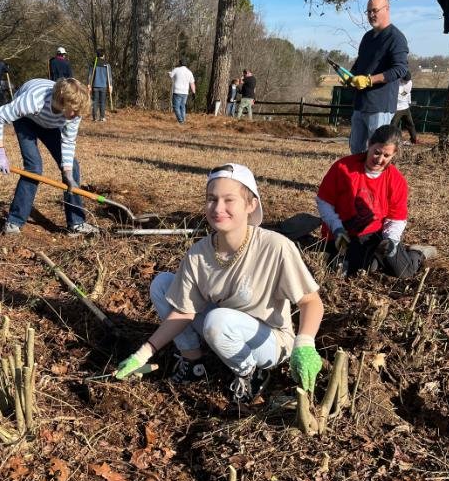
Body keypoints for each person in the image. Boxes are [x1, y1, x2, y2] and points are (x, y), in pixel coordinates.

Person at [114, 163, 324, 404]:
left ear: (251, 204)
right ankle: (193, 361)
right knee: (162, 284)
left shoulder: (275, 247)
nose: (218, 208)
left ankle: (251, 374)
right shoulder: (198, 254)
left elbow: (310, 301)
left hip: (269, 341)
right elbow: (184, 311)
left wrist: (305, 343)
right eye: (211, 199)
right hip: (223, 327)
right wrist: (143, 354)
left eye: (229, 200)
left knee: (218, 320)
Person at [316, 124, 436, 278]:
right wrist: (337, 228)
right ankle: (372, 260)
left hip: (373, 235)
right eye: (376, 152)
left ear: (394, 155)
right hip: (340, 233)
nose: (379, 159)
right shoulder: (343, 168)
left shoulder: (396, 180)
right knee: (353, 270)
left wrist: (391, 241)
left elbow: (396, 218)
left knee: (404, 272)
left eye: (386, 156)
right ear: (369, 145)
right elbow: (324, 202)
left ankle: (417, 253)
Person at [0, 77, 98, 237]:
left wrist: (67, 173)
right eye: (74, 111)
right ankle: (14, 221)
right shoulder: (33, 100)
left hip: (50, 123)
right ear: (63, 101)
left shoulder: (75, 112)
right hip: (26, 119)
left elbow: (68, 141)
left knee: (72, 167)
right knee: (34, 167)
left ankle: (76, 223)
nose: (77, 116)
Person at [346, 0, 409, 154]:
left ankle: (376, 180)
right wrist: (350, 76)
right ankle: (358, 180)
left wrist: (369, 80)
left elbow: (400, 69)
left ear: (387, 9)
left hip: (380, 105)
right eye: (368, 12)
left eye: (375, 10)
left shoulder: (396, 38)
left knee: (376, 152)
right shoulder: (367, 37)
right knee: (356, 150)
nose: (371, 15)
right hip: (360, 103)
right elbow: (360, 63)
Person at [391, 71, 417, 144]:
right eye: (404, 81)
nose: (406, 82)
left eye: (407, 81)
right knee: (393, 126)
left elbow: (406, 93)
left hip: (405, 107)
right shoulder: (396, 84)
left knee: (410, 124)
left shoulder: (409, 83)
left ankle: (414, 140)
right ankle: (391, 141)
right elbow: (403, 95)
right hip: (397, 108)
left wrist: (409, 102)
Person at [87, 48, 113, 122]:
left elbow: (90, 74)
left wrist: (89, 84)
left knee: (95, 101)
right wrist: (110, 85)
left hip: (95, 85)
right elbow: (110, 76)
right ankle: (102, 117)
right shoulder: (107, 64)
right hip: (103, 86)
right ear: (103, 55)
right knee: (102, 102)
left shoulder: (93, 63)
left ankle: (95, 117)